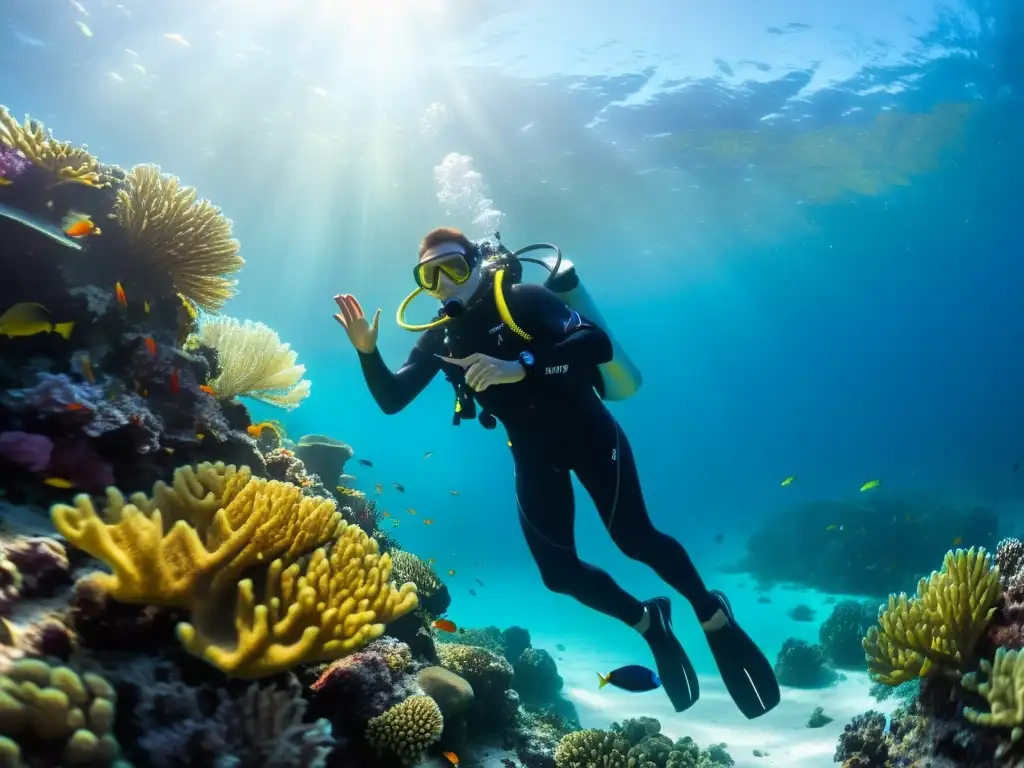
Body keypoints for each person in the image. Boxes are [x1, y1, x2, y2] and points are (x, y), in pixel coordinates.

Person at [333, 226, 780, 718]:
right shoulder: (440, 336)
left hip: (590, 435)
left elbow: (595, 343)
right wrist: (366, 351)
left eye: (454, 268)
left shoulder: (524, 299)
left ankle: (710, 611)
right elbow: (392, 399)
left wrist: (522, 363)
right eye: (430, 275)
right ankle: (648, 620)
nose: (444, 283)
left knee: (634, 538)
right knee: (558, 574)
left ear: (477, 263)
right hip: (531, 453)